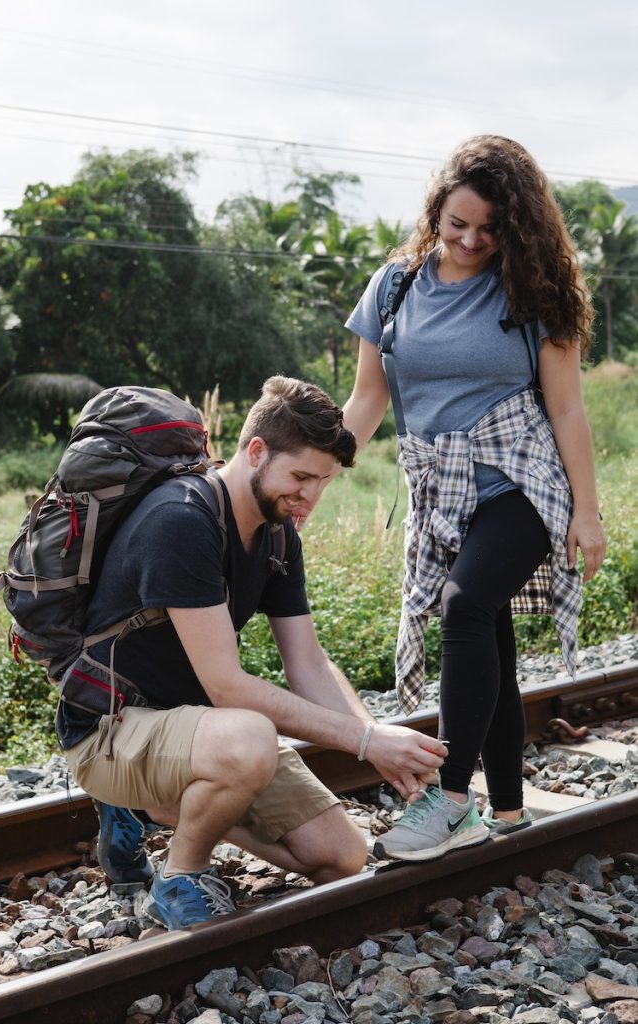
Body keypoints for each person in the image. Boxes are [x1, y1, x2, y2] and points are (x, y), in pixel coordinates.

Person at [56, 375, 446, 928]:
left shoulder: (278, 531)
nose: (310, 496)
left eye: (325, 482)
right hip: (111, 730)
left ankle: (157, 807)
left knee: (341, 856)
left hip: (194, 731)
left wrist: (376, 741)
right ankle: (180, 875)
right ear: (256, 452)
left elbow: (308, 664)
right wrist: (365, 740)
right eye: (302, 476)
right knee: (251, 736)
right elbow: (228, 686)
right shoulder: (183, 520)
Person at [341, 135, 606, 862]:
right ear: (436, 210)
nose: (468, 240)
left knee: (464, 608)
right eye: (457, 223)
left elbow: (567, 411)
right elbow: (368, 399)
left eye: (488, 230)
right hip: (439, 489)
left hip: (520, 477)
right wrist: (320, 470)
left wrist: (586, 512)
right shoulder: (394, 286)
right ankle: (511, 811)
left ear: (514, 228)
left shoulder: (532, 291)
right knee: (486, 635)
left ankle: (451, 799)